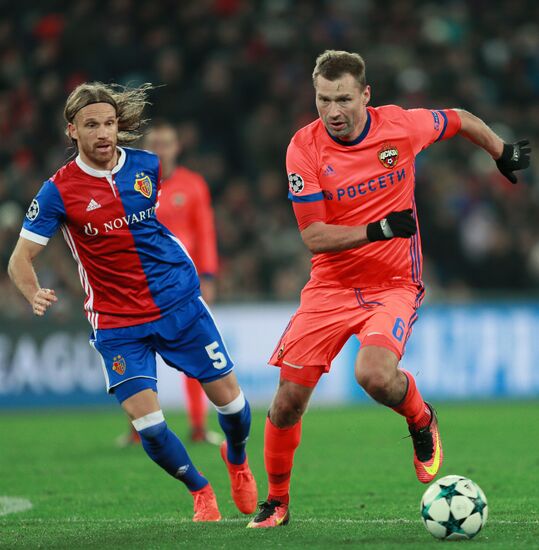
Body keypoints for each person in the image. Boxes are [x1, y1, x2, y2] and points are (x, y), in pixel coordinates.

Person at [247, 50, 531, 528]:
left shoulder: (400, 127)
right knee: (286, 403)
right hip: (330, 287)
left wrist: (500, 151)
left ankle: (421, 419)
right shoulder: (304, 148)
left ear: (366, 95)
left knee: (375, 376)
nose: (332, 111)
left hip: (394, 283)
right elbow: (313, 236)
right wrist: (378, 228)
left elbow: (459, 119)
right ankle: (277, 501)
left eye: (342, 99)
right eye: (322, 99)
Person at [8, 82, 258, 522]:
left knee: (234, 408)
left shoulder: (147, 167)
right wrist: (33, 292)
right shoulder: (58, 191)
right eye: (91, 125)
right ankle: (200, 490)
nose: (103, 133)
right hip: (118, 322)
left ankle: (236, 459)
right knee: (151, 430)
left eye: (109, 123)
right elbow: (19, 259)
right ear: (73, 131)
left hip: (178, 304)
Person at [118, 120, 222, 447]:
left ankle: (198, 426)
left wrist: (208, 276)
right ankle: (139, 429)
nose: (161, 149)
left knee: (194, 352)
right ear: (146, 149)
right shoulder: (129, 185)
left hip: (182, 284)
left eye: (166, 143)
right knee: (136, 356)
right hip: (136, 283)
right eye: (155, 144)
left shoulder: (193, 186)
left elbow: (205, 232)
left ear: (177, 147)